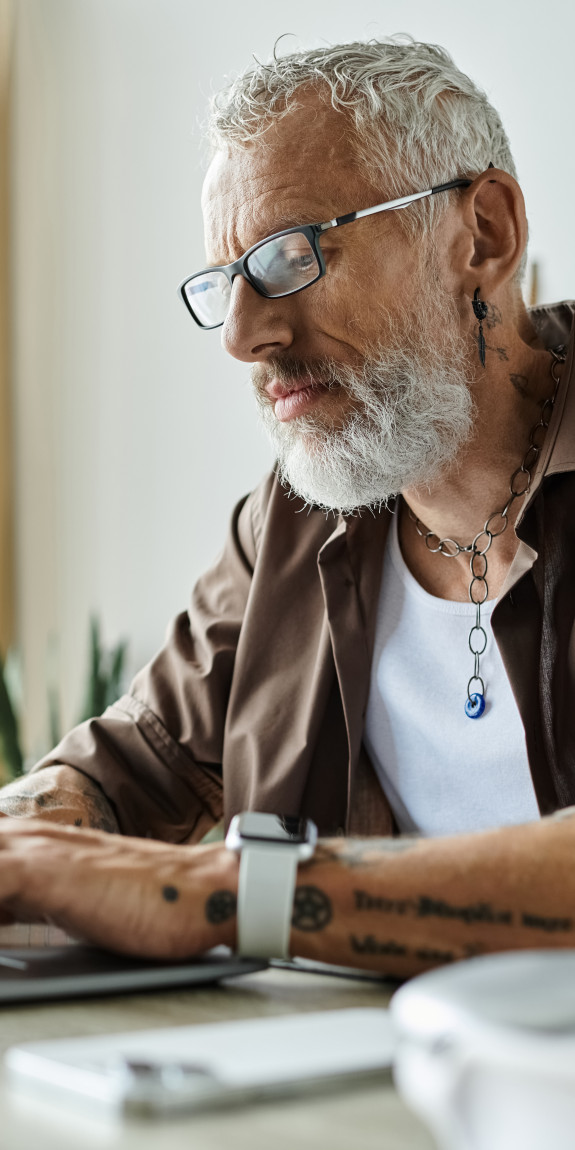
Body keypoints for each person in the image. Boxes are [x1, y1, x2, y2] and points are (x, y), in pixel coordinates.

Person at [1, 38, 574, 977]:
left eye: (288, 255)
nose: (242, 335)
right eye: (226, 281)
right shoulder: (295, 517)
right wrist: (27, 845)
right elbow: (117, 773)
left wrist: (230, 895)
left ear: (482, 234)